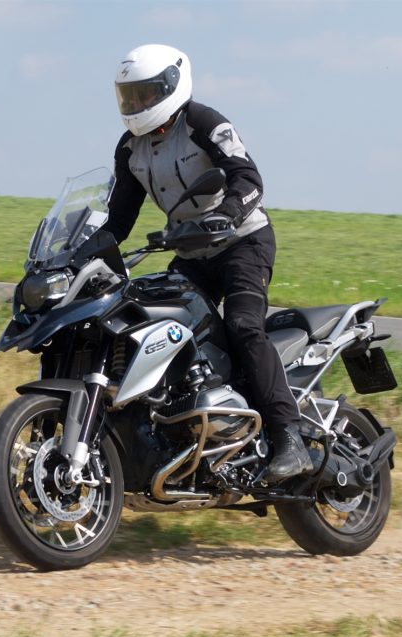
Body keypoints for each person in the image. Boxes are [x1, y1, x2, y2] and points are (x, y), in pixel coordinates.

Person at [101, 44, 310, 484]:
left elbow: (248, 179)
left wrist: (226, 215)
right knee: (161, 325)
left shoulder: (204, 123)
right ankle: (194, 423)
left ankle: (290, 437)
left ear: (172, 88)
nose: (137, 105)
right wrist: (78, 251)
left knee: (242, 324)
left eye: (145, 94)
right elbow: (118, 219)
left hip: (242, 243)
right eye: (130, 96)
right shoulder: (130, 148)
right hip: (190, 252)